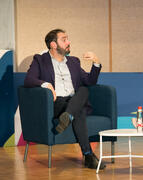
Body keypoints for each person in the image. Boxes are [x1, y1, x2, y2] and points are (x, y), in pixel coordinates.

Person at [24, 28, 106, 170]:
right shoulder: (40, 60)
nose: (68, 42)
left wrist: (96, 63)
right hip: (55, 104)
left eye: (68, 39)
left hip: (73, 101)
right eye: (64, 39)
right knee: (78, 109)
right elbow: (29, 80)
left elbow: (89, 81)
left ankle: (68, 116)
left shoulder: (73, 62)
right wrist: (46, 84)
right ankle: (88, 155)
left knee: (84, 90)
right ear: (53, 44)